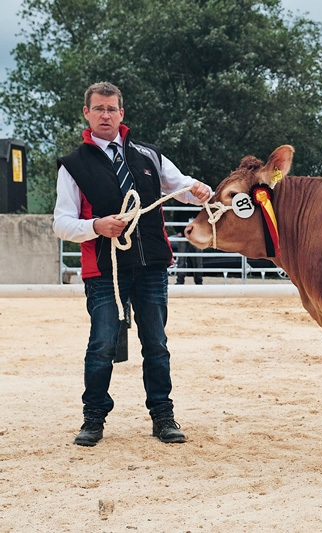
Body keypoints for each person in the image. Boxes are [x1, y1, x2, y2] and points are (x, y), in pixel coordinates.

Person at [53, 82, 212, 447]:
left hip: (151, 263)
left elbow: (182, 187)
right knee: (103, 343)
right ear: (87, 114)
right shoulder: (73, 166)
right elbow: (61, 223)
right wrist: (96, 226)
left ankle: (163, 416)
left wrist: (200, 190)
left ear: (122, 113)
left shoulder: (148, 156)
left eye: (111, 109)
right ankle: (93, 419)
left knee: (156, 342)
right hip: (104, 267)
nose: (105, 115)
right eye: (99, 109)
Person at [173, 207, 204, 285]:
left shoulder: (198, 202)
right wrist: (178, 231)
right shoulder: (181, 201)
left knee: (197, 259)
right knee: (182, 259)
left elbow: (203, 218)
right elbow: (176, 216)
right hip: (184, 234)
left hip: (196, 235)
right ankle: (180, 280)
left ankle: (198, 281)